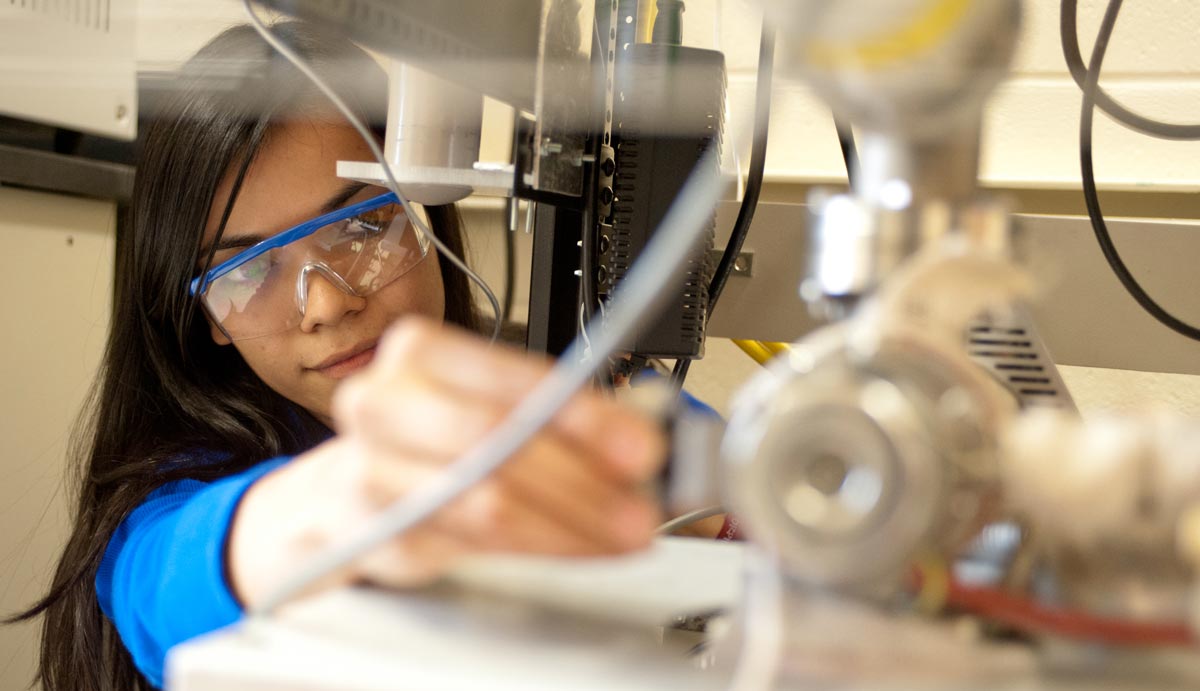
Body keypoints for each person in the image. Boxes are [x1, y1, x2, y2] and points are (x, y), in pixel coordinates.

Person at [10, 23, 664, 691]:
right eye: (248, 269)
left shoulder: (541, 377)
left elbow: (698, 462)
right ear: (206, 321)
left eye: (361, 226)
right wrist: (352, 500)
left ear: (427, 212)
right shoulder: (165, 501)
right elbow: (158, 583)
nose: (324, 304)